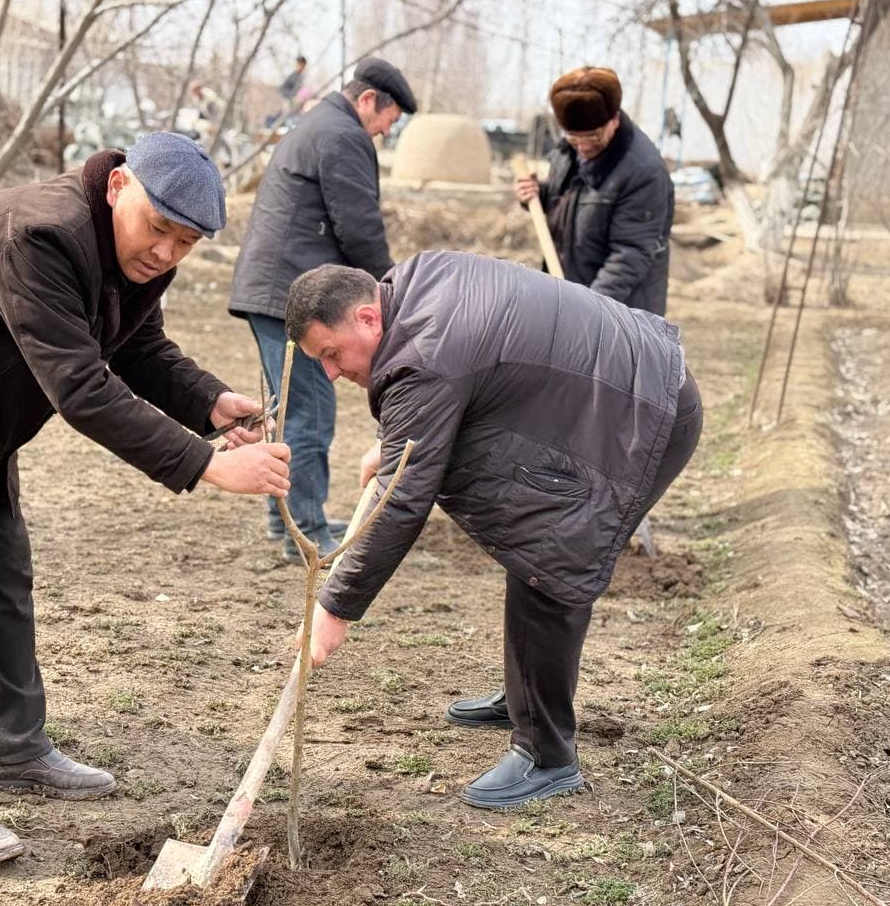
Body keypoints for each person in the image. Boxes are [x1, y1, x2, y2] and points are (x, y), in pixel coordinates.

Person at [0, 132, 291, 867]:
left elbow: (134, 348)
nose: (166, 253)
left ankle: (20, 748)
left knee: (3, 583)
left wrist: (209, 404)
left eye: (186, 242)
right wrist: (203, 465)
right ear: (118, 186)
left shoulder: (130, 254)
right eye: (159, 229)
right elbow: (81, 389)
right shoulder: (39, 235)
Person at [284, 255, 702, 808]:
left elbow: (406, 496)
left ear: (366, 318)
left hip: (643, 414)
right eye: (321, 362)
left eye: (331, 355)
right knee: (531, 530)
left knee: (552, 548)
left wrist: (334, 609)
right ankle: (527, 692)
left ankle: (546, 754)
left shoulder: (424, 353)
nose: (332, 374)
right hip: (619, 388)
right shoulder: (415, 285)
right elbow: (466, 383)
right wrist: (396, 447)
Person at [229, 57, 416, 563]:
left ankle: (285, 518)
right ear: (368, 100)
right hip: (298, 295)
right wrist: (396, 291)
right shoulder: (343, 135)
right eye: (387, 119)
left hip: (275, 287)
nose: (383, 131)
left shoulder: (319, 124)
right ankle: (305, 532)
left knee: (290, 411)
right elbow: (359, 227)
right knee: (311, 411)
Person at [515, 66, 674, 316]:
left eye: (594, 137)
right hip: (570, 294)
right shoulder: (567, 151)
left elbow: (629, 254)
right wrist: (539, 195)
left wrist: (585, 311)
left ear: (614, 119)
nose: (584, 147)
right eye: (575, 138)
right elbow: (573, 202)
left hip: (620, 312)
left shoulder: (643, 170)